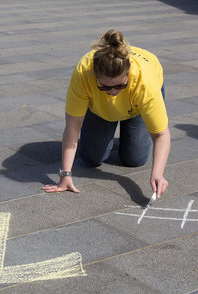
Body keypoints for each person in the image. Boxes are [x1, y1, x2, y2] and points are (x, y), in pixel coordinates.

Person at [43, 30, 170, 199]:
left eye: (120, 86)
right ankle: (109, 129)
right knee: (91, 158)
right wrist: (65, 175)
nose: (113, 92)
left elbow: (161, 134)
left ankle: (130, 124)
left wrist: (158, 174)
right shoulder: (83, 73)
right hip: (101, 109)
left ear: (128, 74)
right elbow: (73, 127)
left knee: (135, 160)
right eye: (104, 87)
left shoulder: (145, 82)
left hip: (136, 106)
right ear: (94, 76)